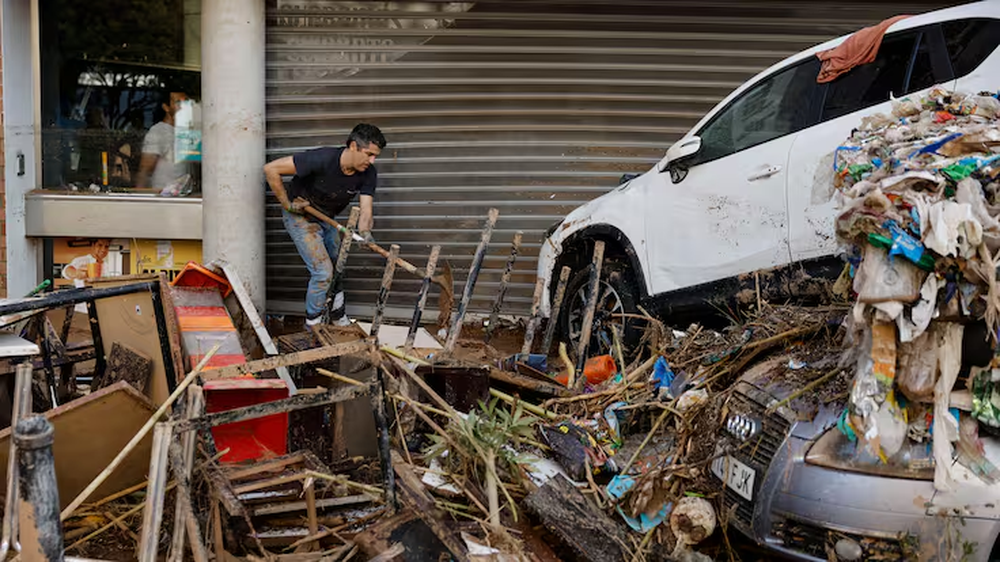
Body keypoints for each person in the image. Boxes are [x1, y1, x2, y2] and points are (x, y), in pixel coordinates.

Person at [264, 123, 386, 326]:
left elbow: (366, 210)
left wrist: (365, 231)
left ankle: (338, 315)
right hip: (300, 216)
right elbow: (271, 169)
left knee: (338, 265)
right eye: (369, 154)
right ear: (354, 146)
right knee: (323, 272)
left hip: (326, 217)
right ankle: (313, 324)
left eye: (376, 156)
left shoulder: (368, 173)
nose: (372, 160)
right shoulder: (322, 158)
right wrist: (287, 204)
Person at [136, 91, 189, 191]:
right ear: (166, 107)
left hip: (181, 199)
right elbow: (145, 170)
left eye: (185, 102)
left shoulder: (184, 132)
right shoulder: (158, 132)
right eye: (178, 102)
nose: (183, 106)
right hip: (164, 200)